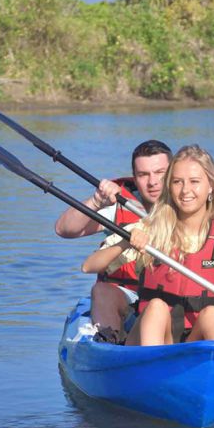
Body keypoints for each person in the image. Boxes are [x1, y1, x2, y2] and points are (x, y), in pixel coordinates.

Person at [81, 144, 214, 346]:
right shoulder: (150, 229)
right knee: (157, 307)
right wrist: (127, 241)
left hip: (195, 338)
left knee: (212, 313)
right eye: (177, 182)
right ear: (170, 186)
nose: (186, 190)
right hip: (152, 339)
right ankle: (152, 367)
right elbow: (89, 266)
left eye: (194, 181)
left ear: (210, 186)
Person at [55, 140, 173, 343]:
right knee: (102, 290)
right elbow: (64, 229)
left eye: (160, 172)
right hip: (125, 294)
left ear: (172, 173)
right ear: (135, 177)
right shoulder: (120, 206)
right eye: (144, 175)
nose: (152, 182)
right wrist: (96, 202)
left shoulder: (188, 204)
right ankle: (109, 345)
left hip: (170, 296)